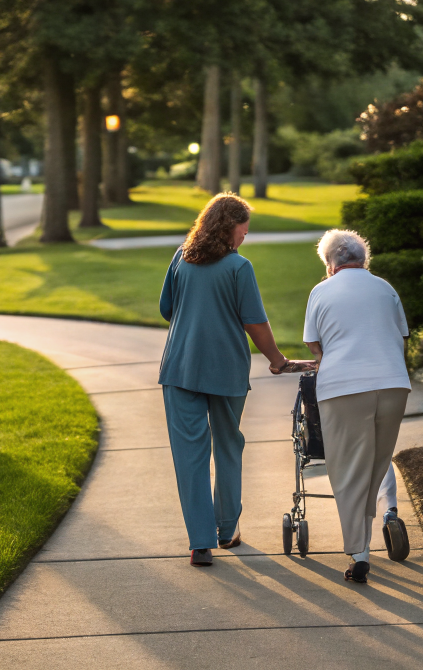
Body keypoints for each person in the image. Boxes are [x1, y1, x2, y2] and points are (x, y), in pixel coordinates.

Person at [158, 192, 307, 567]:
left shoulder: (181, 256)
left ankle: (201, 542)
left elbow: (166, 309)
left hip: (179, 368)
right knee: (227, 446)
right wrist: (278, 360)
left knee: (189, 456)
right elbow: (253, 322)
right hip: (224, 370)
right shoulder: (239, 267)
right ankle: (226, 531)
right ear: (230, 227)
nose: (245, 236)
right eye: (244, 229)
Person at [303, 228, 409, 584]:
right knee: (377, 464)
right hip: (393, 385)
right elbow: (400, 337)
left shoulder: (321, 291)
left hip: (344, 389)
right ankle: (383, 519)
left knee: (349, 471)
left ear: (330, 265)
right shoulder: (386, 288)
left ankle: (359, 554)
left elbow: (314, 347)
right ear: (364, 260)